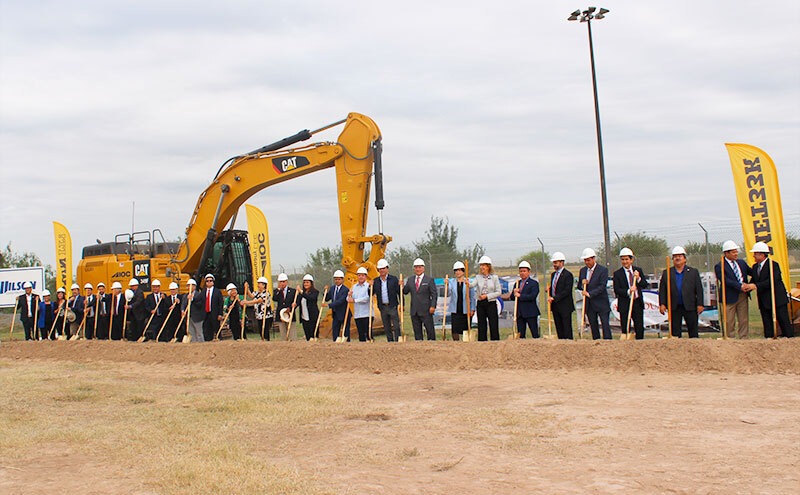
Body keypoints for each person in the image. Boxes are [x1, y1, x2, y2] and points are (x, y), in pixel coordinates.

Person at [749, 241, 794, 338]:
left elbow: (772, 280)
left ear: (762, 254)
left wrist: (756, 286)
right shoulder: (755, 267)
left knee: (783, 320)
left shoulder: (773, 265)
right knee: (767, 321)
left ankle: (789, 338)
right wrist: (748, 287)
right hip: (764, 300)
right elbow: (754, 279)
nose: (753, 256)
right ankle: (769, 339)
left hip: (777, 299)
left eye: (755, 254)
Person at [659, 246, 704, 338]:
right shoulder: (667, 273)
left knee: (693, 331)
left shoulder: (693, 272)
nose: (677, 258)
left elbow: (699, 289)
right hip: (674, 307)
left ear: (685, 259)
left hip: (690, 306)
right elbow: (662, 290)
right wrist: (662, 304)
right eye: (675, 256)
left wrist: (700, 304)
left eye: (680, 256)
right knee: (675, 332)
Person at [714, 240, 754, 339]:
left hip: (742, 295)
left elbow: (752, 273)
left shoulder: (741, 263)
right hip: (729, 296)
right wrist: (739, 286)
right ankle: (729, 339)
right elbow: (725, 280)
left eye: (736, 251)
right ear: (726, 253)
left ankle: (743, 338)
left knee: (743, 319)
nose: (736, 254)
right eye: (733, 252)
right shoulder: (720, 266)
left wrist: (749, 285)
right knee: (729, 320)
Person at [613, 248, 649, 339]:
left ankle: (640, 344)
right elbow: (617, 289)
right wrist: (628, 291)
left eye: (626, 259)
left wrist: (639, 278)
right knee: (625, 327)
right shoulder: (617, 274)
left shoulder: (638, 270)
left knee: (639, 326)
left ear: (631, 260)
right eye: (622, 259)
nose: (625, 262)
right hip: (625, 303)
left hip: (637, 302)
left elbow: (644, 285)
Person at [576, 248, 611, 340]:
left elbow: (602, 286)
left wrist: (590, 294)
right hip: (589, 304)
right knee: (593, 324)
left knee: (605, 324)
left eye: (588, 260)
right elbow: (579, 286)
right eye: (585, 260)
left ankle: (608, 342)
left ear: (593, 259)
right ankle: (596, 342)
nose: (587, 262)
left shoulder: (602, 270)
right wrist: (582, 284)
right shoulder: (583, 271)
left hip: (601, 303)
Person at [503, 261, 540, 338]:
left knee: (534, 333)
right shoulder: (517, 283)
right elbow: (513, 298)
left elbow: (532, 296)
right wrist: (514, 293)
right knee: (521, 335)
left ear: (528, 272)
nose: (522, 273)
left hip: (530, 312)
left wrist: (520, 295)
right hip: (520, 313)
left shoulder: (533, 283)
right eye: (521, 271)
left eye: (524, 271)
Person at [402, 258, 437, 341]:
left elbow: (434, 294)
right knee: (417, 332)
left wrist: (433, 306)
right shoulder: (410, 280)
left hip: (426, 310)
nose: (418, 269)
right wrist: (401, 286)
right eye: (416, 267)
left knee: (430, 330)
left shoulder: (429, 280)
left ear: (423, 268)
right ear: (414, 269)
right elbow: (405, 292)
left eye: (420, 267)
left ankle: (432, 346)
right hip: (414, 311)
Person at [471, 255, 502, 341]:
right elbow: (472, 285)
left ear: (488, 266)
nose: (482, 267)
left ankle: (495, 341)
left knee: (493, 323)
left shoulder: (494, 278)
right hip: (481, 303)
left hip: (491, 303)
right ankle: (482, 342)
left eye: (483, 265)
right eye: (480, 265)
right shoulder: (477, 277)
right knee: (481, 324)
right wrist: (466, 282)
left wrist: (487, 296)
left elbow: (498, 292)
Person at [372, 259, 401, 342]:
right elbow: (370, 293)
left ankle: (398, 340)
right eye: (380, 269)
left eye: (383, 268)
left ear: (387, 269)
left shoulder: (394, 279)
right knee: (386, 326)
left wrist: (402, 304)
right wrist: (370, 287)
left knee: (396, 326)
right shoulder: (376, 281)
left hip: (392, 306)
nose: (382, 270)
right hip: (382, 307)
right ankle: (390, 341)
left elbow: (399, 292)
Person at [548, 252, 575, 340]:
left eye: (556, 262)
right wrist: (549, 290)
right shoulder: (553, 275)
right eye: (553, 263)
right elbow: (555, 287)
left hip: (565, 306)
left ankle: (569, 345)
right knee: (559, 328)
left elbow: (566, 291)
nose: (554, 265)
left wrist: (555, 298)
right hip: (555, 306)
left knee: (566, 328)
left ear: (562, 262)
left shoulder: (568, 275)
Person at [448, 261, 476, 341]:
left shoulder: (468, 282)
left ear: (463, 271)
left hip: (466, 309)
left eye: (460, 270)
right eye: (456, 270)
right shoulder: (451, 282)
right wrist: (446, 285)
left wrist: (472, 308)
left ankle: (466, 344)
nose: (458, 272)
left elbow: (472, 296)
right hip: (455, 309)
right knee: (455, 329)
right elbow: (448, 293)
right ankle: (456, 344)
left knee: (466, 328)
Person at [194, 274, 223, 342]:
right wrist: (191, 298)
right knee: (207, 329)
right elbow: (197, 299)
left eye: (210, 281)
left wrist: (220, 314)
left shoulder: (217, 292)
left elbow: (220, 303)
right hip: (206, 314)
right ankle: (208, 342)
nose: (209, 282)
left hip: (214, 313)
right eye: (207, 281)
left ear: (213, 282)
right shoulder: (203, 292)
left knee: (216, 328)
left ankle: (219, 341)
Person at [324, 270, 351, 341]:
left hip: (344, 313)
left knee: (346, 331)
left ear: (342, 279)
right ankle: (335, 344)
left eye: (339, 279)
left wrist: (329, 305)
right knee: (335, 330)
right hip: (335, 313)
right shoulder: (332, 288)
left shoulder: (345, 290)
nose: (337, 281)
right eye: (336, 279)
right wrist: (325, 292)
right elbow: (327, 298)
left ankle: (347, 345)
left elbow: (341, 301)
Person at [348, 267, 372, 342]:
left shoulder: (368, 286)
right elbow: (348, 299)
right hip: (358, 314)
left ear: (366, 276)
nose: (361, 277)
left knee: (368, 334)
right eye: (359, 275)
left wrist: (354, 300)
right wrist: (349, 295)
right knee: (361, 335)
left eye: (362, 275)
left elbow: (367, 298)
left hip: (367, 314)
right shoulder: (354, 287)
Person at [274, 273, 297, 341]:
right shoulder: (276, 291)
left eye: (283, 281)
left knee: (292, 335)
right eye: (280, 282)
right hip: (281, 316)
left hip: (290, 315)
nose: (282, 283)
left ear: (287, 282)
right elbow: (274, 298)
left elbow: (296, 302)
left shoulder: (293, 291)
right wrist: (279, 290)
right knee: (283, 335)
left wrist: (290, 308)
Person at [297, 274, 320, 341]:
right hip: (304, 317)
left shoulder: (315, 292)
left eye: (307, 282)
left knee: (314, 336)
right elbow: (298, 302)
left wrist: (301, 292)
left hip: (313, 317)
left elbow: (310, 298)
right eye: (304, 282)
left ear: (311, 283)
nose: (305, 284)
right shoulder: (301, 294)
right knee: (308, 336)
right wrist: (294, 305)